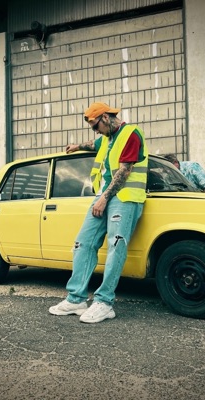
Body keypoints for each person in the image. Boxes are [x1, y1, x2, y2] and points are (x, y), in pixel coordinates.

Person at [49, 102, 148, 323]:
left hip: (125, 197)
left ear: (105, 117)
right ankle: (76, 299)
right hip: (103, 196)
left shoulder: (131, 133)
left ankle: (104, 302)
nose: (95, 131)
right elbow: (93, 144)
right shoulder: (106, 138)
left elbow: (124, 171)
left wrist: (104, 198)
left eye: (95, 126)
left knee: (116, 245)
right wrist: (77, 146)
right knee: (83, 243)